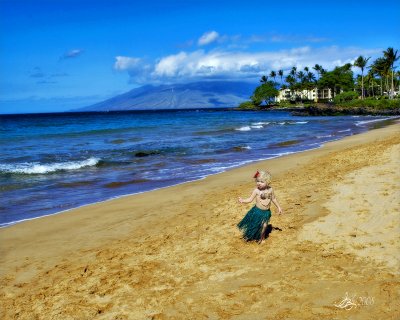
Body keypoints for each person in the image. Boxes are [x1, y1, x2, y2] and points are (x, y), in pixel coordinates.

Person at [237, 170, 283, 244]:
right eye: (258, 181)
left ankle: (261, 238)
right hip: (257, 211)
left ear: (267, 181)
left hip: (266, 212)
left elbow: (273, 198)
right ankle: (252, 235)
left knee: (264, 225)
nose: (259, 183)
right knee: (255, 225)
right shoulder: (256, 191)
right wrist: (243, 200)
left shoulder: (270, 190)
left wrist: (279, 207)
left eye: (262, 181)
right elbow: (250, 199)